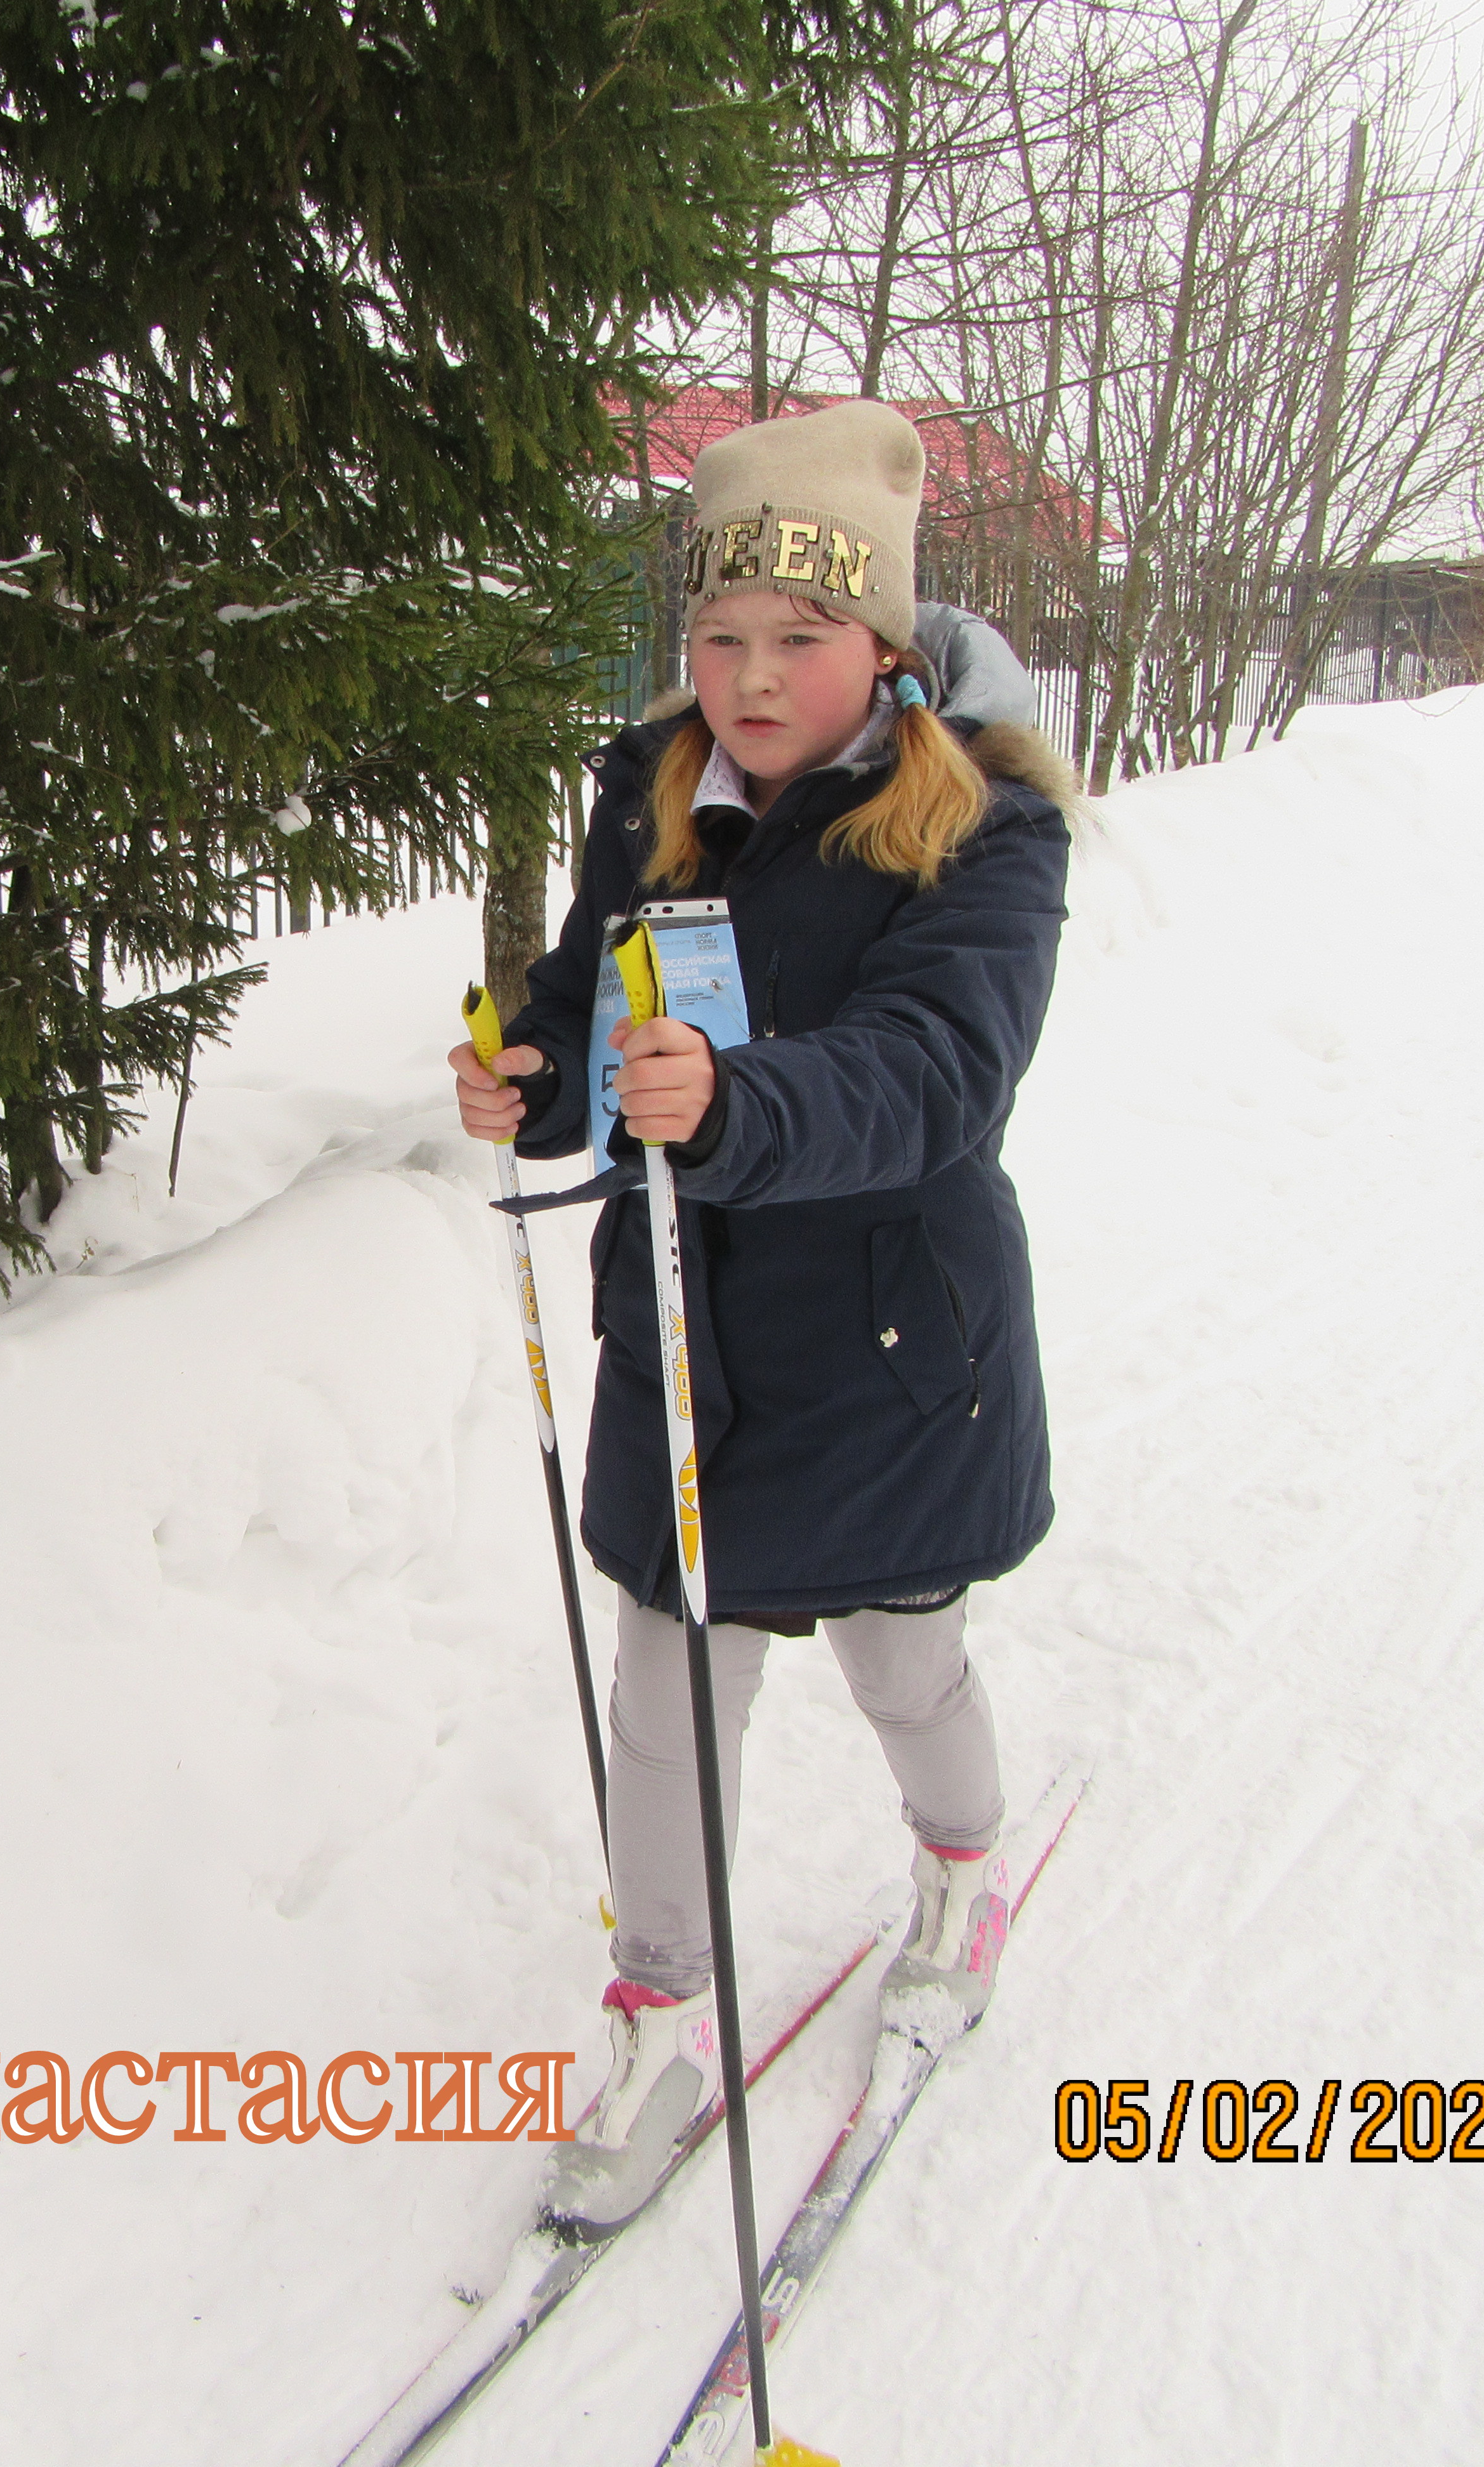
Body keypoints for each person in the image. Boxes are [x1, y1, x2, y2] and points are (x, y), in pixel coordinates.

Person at [445, 398, 1076, 2232]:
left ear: (883, 640)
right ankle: (657, 2023)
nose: (750, 678)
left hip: (888, 1342)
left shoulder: (985, 823)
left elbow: (939, 1070)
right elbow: (589, 994)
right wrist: (532, 1074)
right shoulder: (655, 786)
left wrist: (733, 1103)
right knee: (665, 1695)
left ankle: (961, 1869)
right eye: (718, 636)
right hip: (685, 1331)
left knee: (902, 1658)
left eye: (799, 636)